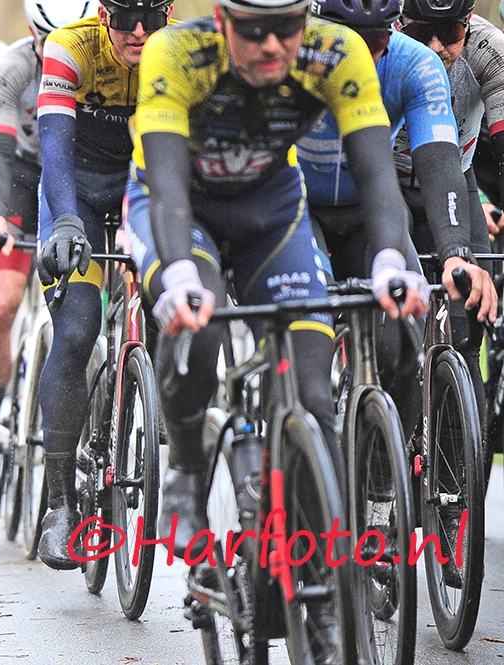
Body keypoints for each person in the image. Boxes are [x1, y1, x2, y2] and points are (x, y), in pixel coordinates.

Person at [122, 0, 429, 558]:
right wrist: (180, 274)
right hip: (180, 209)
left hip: (271, 211)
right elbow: (165, 183)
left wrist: (389, 259)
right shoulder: (177, 51)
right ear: (222, 20)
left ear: (305, 22)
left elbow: (376, 173)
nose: (271, 44)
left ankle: (319, 565)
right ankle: (185, 471)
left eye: (287, 27)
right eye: (254, 29)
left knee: (313, 390)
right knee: (200, 321)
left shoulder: (336, 52)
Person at [297, 0, 496, 435]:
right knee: (305, 342)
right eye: (350, 40)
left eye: (378, 40)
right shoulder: (289, 57)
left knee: (404, 340)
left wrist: (456, 253)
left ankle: (385, 469)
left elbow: (440, 163)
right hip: (297, 210)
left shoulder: (416, 63)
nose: (364, 56)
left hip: (372, 209)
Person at [34, 0, 172, 570]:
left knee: (174, 297)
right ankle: (59, 504)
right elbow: (54, 147)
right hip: (77, 196)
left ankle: (162, 412)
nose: (138, 31)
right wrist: (65, 220)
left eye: (152, 18)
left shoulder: (180, 52)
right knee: (76, 331)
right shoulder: (70, 45)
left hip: (144, 190)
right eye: (125, 17)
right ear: (102, 13)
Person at [0, 0, 98, 515]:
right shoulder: (9, 69)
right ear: (30, 32)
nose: (60, 47)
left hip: (83, 180)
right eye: (47, 38)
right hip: (22, 181)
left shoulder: (109, 60)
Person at [395, 0, 504, 427]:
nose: (437, 47)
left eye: (450, 33)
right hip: (387, 186)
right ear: (398, 24)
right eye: (421, 34)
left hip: (455, 182)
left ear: (468, 24)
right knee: (395, 339)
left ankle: (461, 454)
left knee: (466, 332)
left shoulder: (488, 50)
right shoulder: (383, 49)